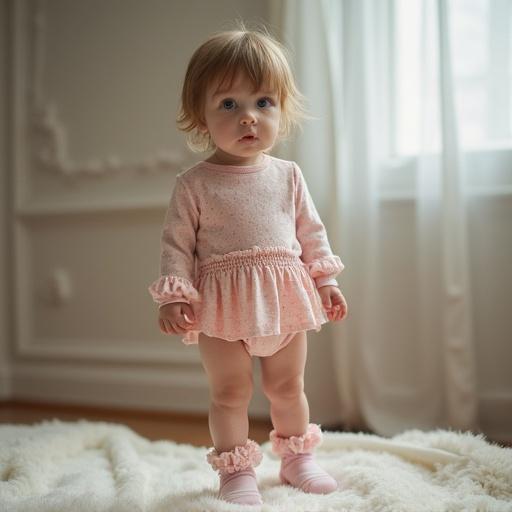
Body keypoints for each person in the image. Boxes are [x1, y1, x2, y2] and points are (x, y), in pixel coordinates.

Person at [148, 22, 348, 506]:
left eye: (263, 103)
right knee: (230, 391)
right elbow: (177, 243)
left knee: (286, 384)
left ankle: (297, 459)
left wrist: (325, 281)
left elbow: (310, 234)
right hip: (220, 305)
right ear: (201, 115)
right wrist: (176, 296)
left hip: (283, 296)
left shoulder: (288, 176)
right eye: (228, 104)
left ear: (282, 110)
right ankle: (235, 470)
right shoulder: (194, 184)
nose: (248, 118)